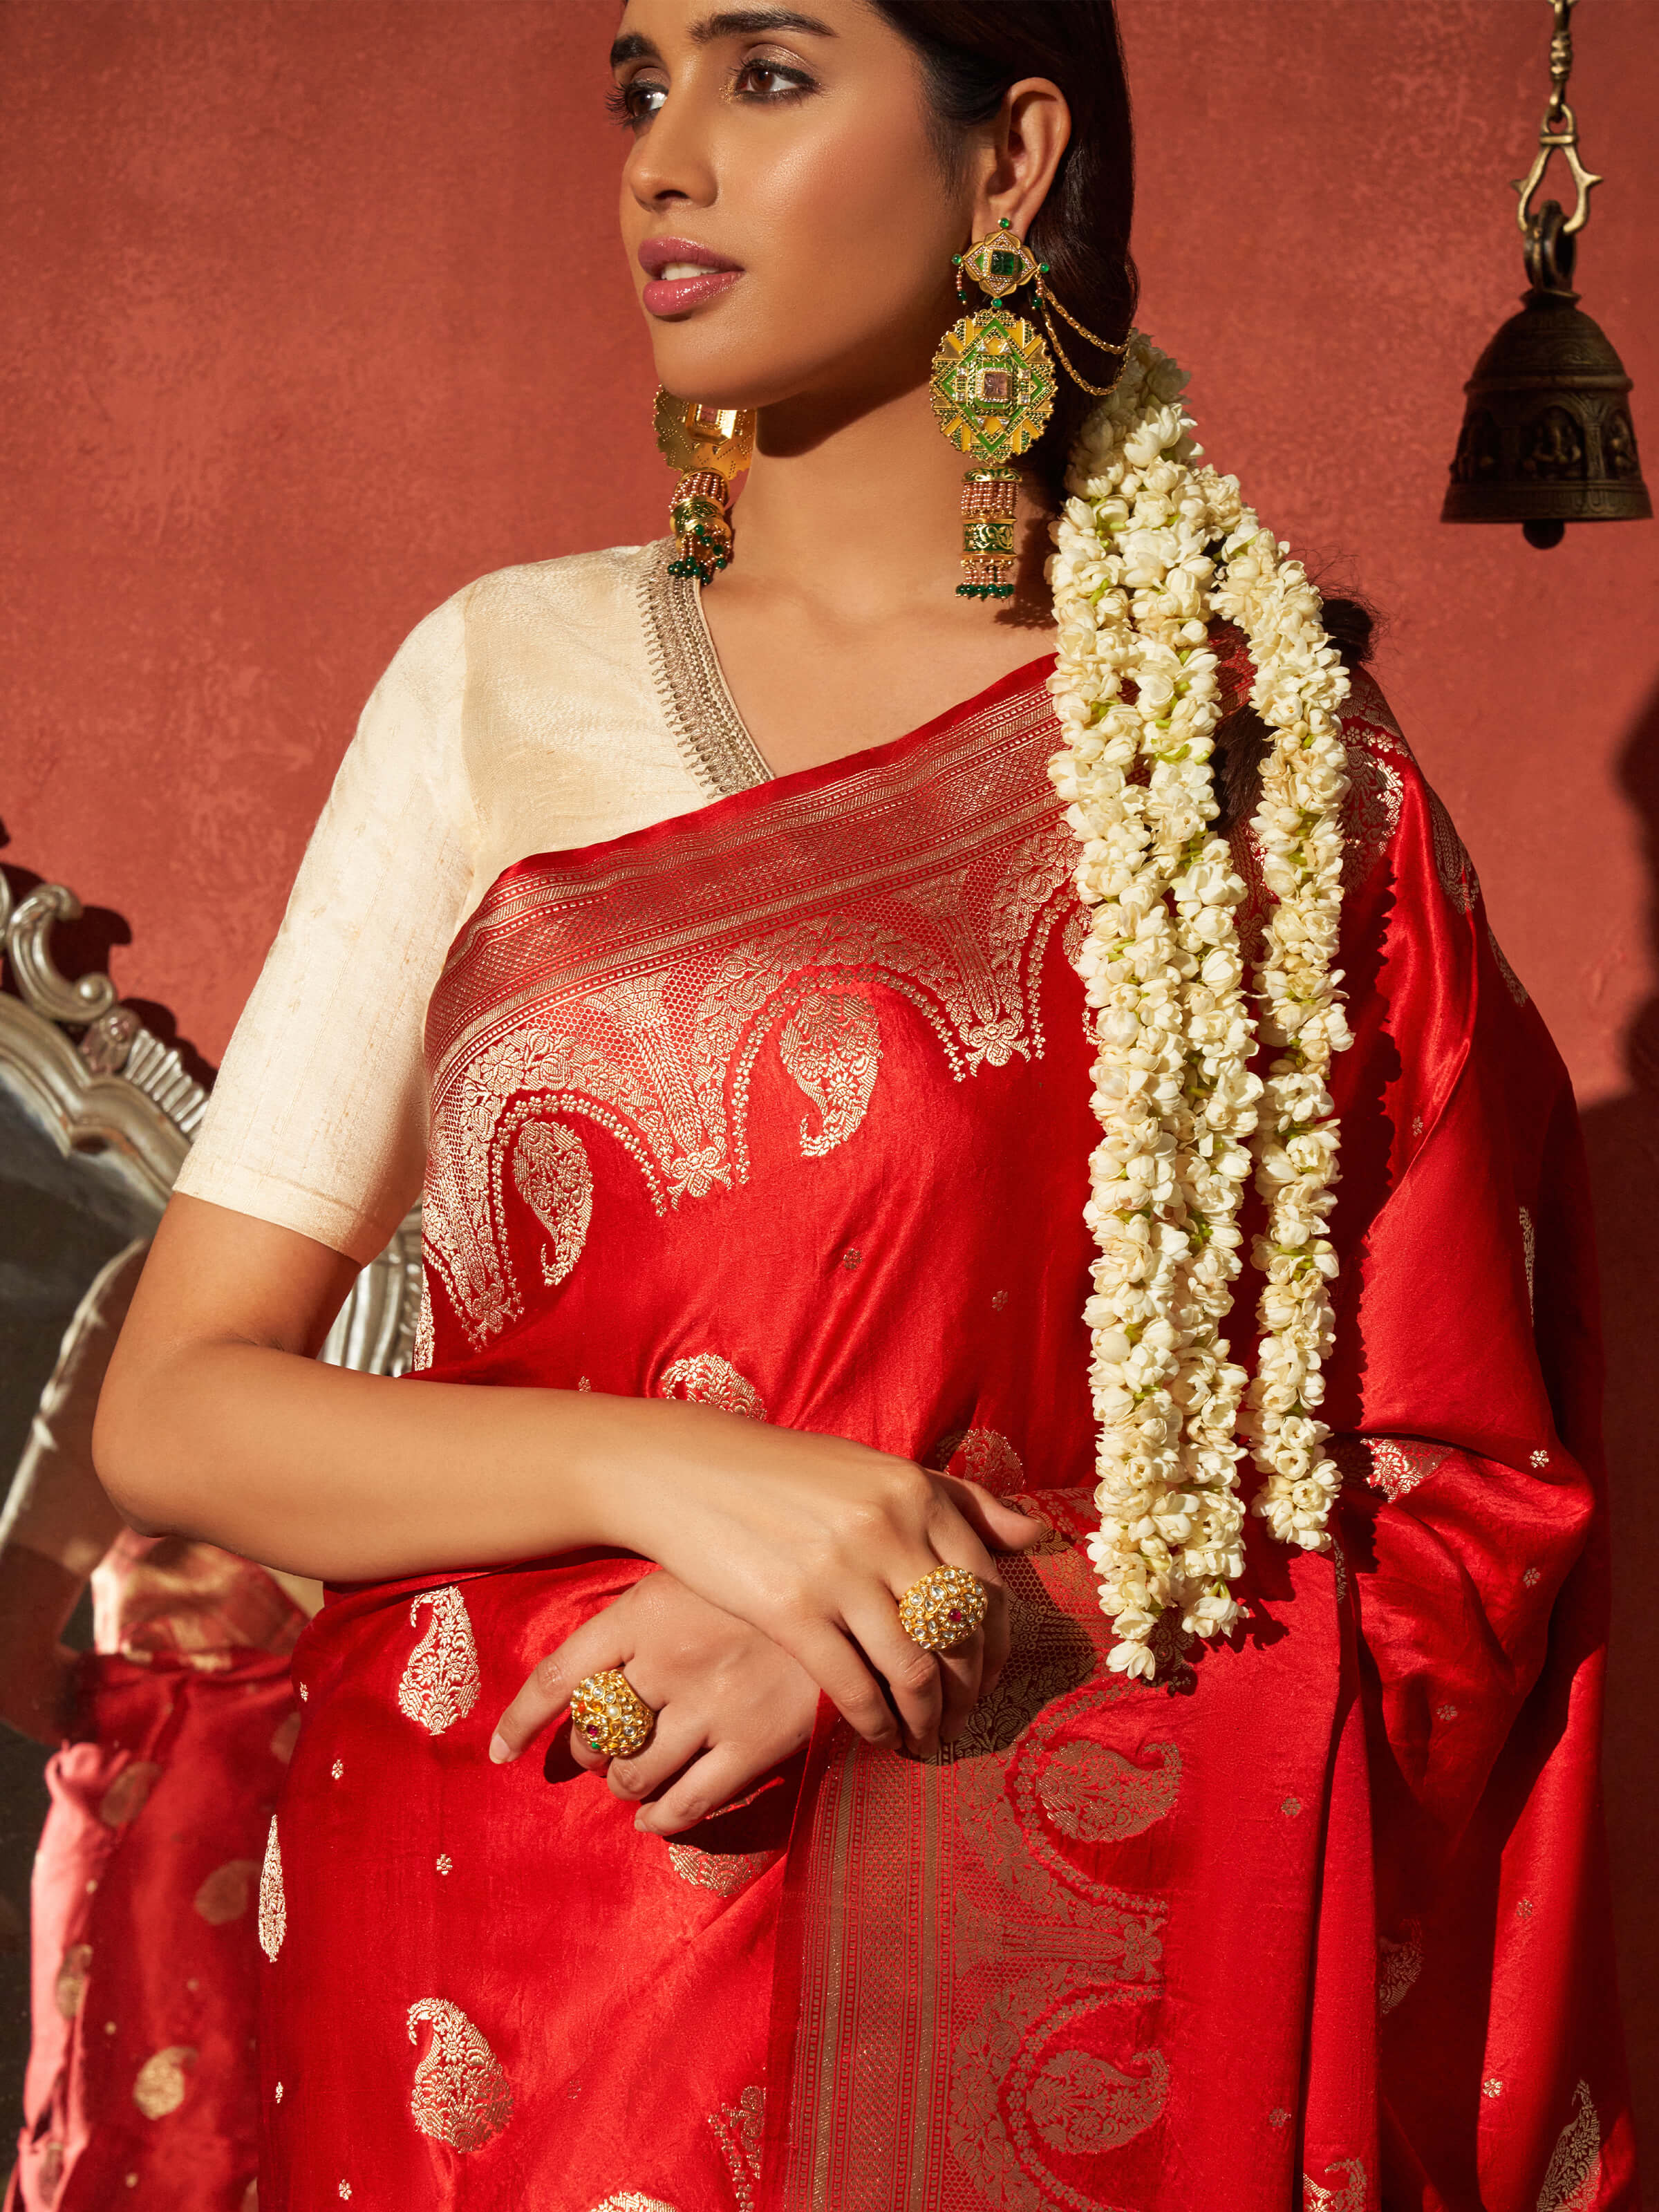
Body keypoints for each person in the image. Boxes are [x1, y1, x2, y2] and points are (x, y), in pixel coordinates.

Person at [93, 3, 1638, 2206]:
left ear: (1009, 162)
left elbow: (1462, 1509)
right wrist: (722, 1489)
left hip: (1020, 2032)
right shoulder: (496, 681)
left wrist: (947, 1615)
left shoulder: (1258, 773)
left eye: (768, 73)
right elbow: (181, 1412)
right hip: (495, 2014)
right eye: (638, 84)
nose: (663, 157)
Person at [1, 1243, 314, 2211]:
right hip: (203, 1818)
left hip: (196, 1802)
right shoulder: (164, 1279)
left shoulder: (167, 1279)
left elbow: (11, 1642)